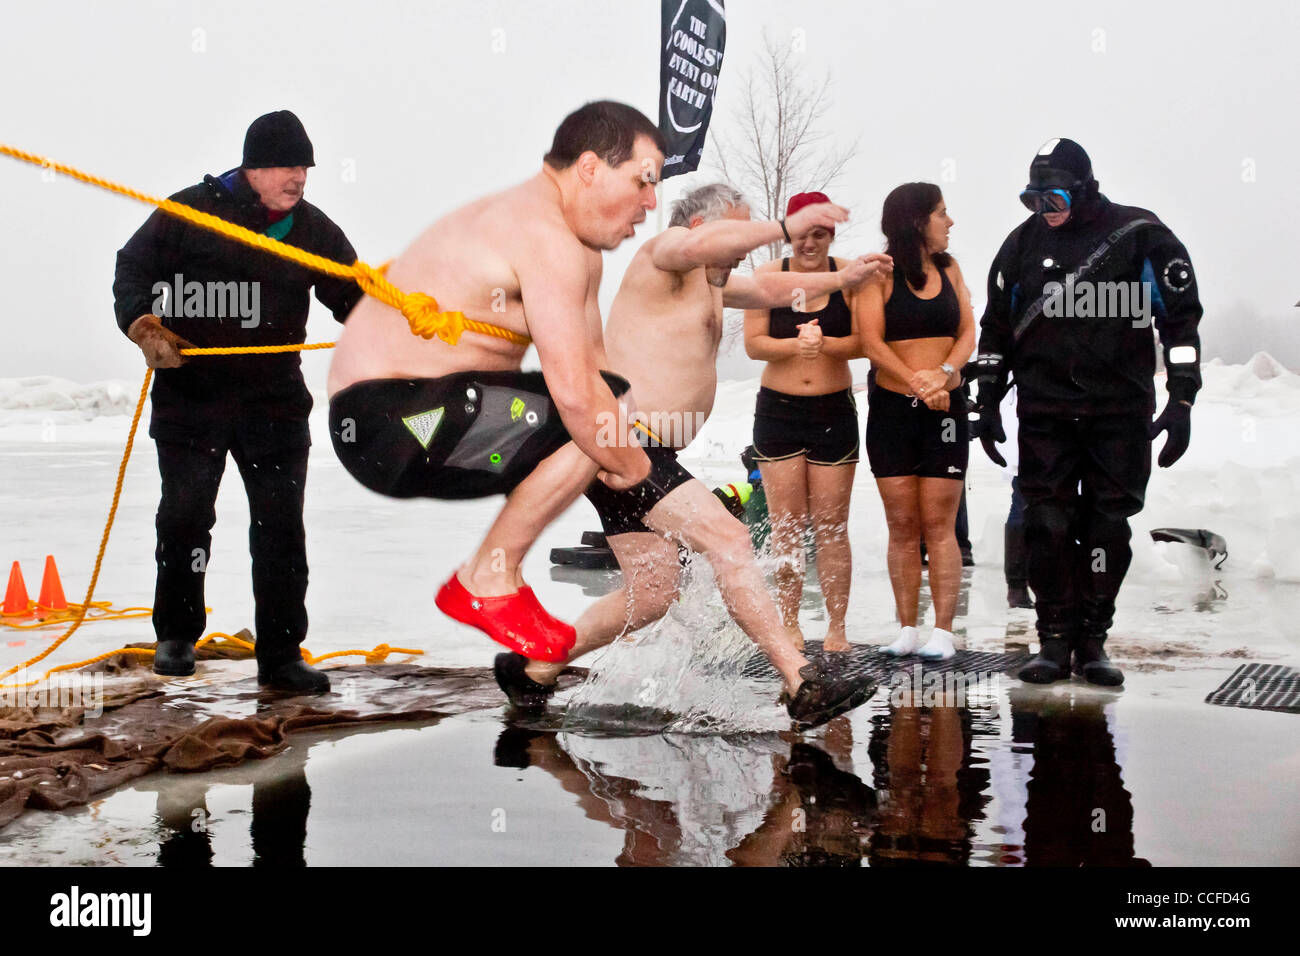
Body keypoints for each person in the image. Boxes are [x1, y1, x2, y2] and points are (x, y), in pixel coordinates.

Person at [496, 183, 892, 729]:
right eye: (737, 230)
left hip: (626, 449)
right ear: (701, 228)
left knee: (654, 592)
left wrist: (841, 279)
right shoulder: (666, 254)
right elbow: (697, 248)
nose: (743, 248)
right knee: (729, 539)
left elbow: (772, 287)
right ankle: (800, 681)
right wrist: (784, 229)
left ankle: (533, 669)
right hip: (624, 440)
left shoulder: (711, 281)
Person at [327, 101, 660, 664]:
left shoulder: (567, 246)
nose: (651, 203)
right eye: (643, 181)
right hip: (396, 420)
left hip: (408, 426)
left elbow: (601, 372)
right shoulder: (542, 233)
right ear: (589, 168)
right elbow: (580, 395)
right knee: (595, 409)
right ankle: (486, 578)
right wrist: (644, 482)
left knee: (608, 401)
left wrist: (630, 453)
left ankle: (499, 577)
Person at [113, 110, 362, 693]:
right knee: (185, 516)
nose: (298, 178)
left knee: (279, 526)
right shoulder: (189, 212)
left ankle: (280, 654)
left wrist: (407, 318)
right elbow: (133, 266)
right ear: (252, 167)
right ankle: (176, 635)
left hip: (273, 402)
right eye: (286, 166)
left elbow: (353, 294)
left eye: (305, 167)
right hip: (190, 397)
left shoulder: (309, 230)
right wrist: (141, 322)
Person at [973, 138, 1203, 686]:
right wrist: (985, 397)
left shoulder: (1140, 236)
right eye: (1032, 201)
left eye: (1052, 200)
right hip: (1046, 410)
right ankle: (1053, 639)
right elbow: (996, 327)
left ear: (1083, 189)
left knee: (1105, 527)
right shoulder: (1020, 245)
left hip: (1119, 411)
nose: (1042, 213)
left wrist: (1183, 397)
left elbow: (1182, 320)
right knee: (1047, 525)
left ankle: (1094, 641)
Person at [742, 191, 871, 653]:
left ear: (831, 235)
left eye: (820, 234)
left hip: (832, 410)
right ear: (789, 232)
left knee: (833, 523)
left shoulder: (849, 275)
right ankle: (790, 623)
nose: (810, 243)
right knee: (787, 525)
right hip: (779, 409)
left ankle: (837, 627)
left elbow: (864, 341)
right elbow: (754, 344)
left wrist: (827, 346)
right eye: (802, 234)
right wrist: (798, 346)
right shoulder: (766, 276)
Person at [857, 183, 975, 660]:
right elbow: (872, 343)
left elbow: (968, 331)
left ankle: (942, 631)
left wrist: (943, 375)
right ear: (916, 221)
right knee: (903, 524)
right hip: (893, 410)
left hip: (945, 411)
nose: (950, 222)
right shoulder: (878, 275)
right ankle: (907, 628)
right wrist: (917, 382)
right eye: (942, 214)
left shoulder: (950, 269)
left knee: (939, 524)